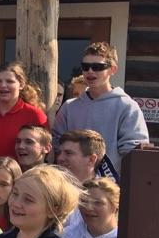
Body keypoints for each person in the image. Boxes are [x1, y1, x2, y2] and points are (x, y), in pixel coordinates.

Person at [53, 41, 150, 176]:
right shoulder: (69, 107)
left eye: (98, 67)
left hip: (109, 187)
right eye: (85, 67)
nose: (90, 71)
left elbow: (133, 151)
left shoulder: (127, 106)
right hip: (71, 185)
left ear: (113, 69)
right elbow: (57, 144)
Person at [0, 61, 48, 160]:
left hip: (22, 174)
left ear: (21, 84)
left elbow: (46, 151)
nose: (3, 85)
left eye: (9, 81)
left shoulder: (35, 115)